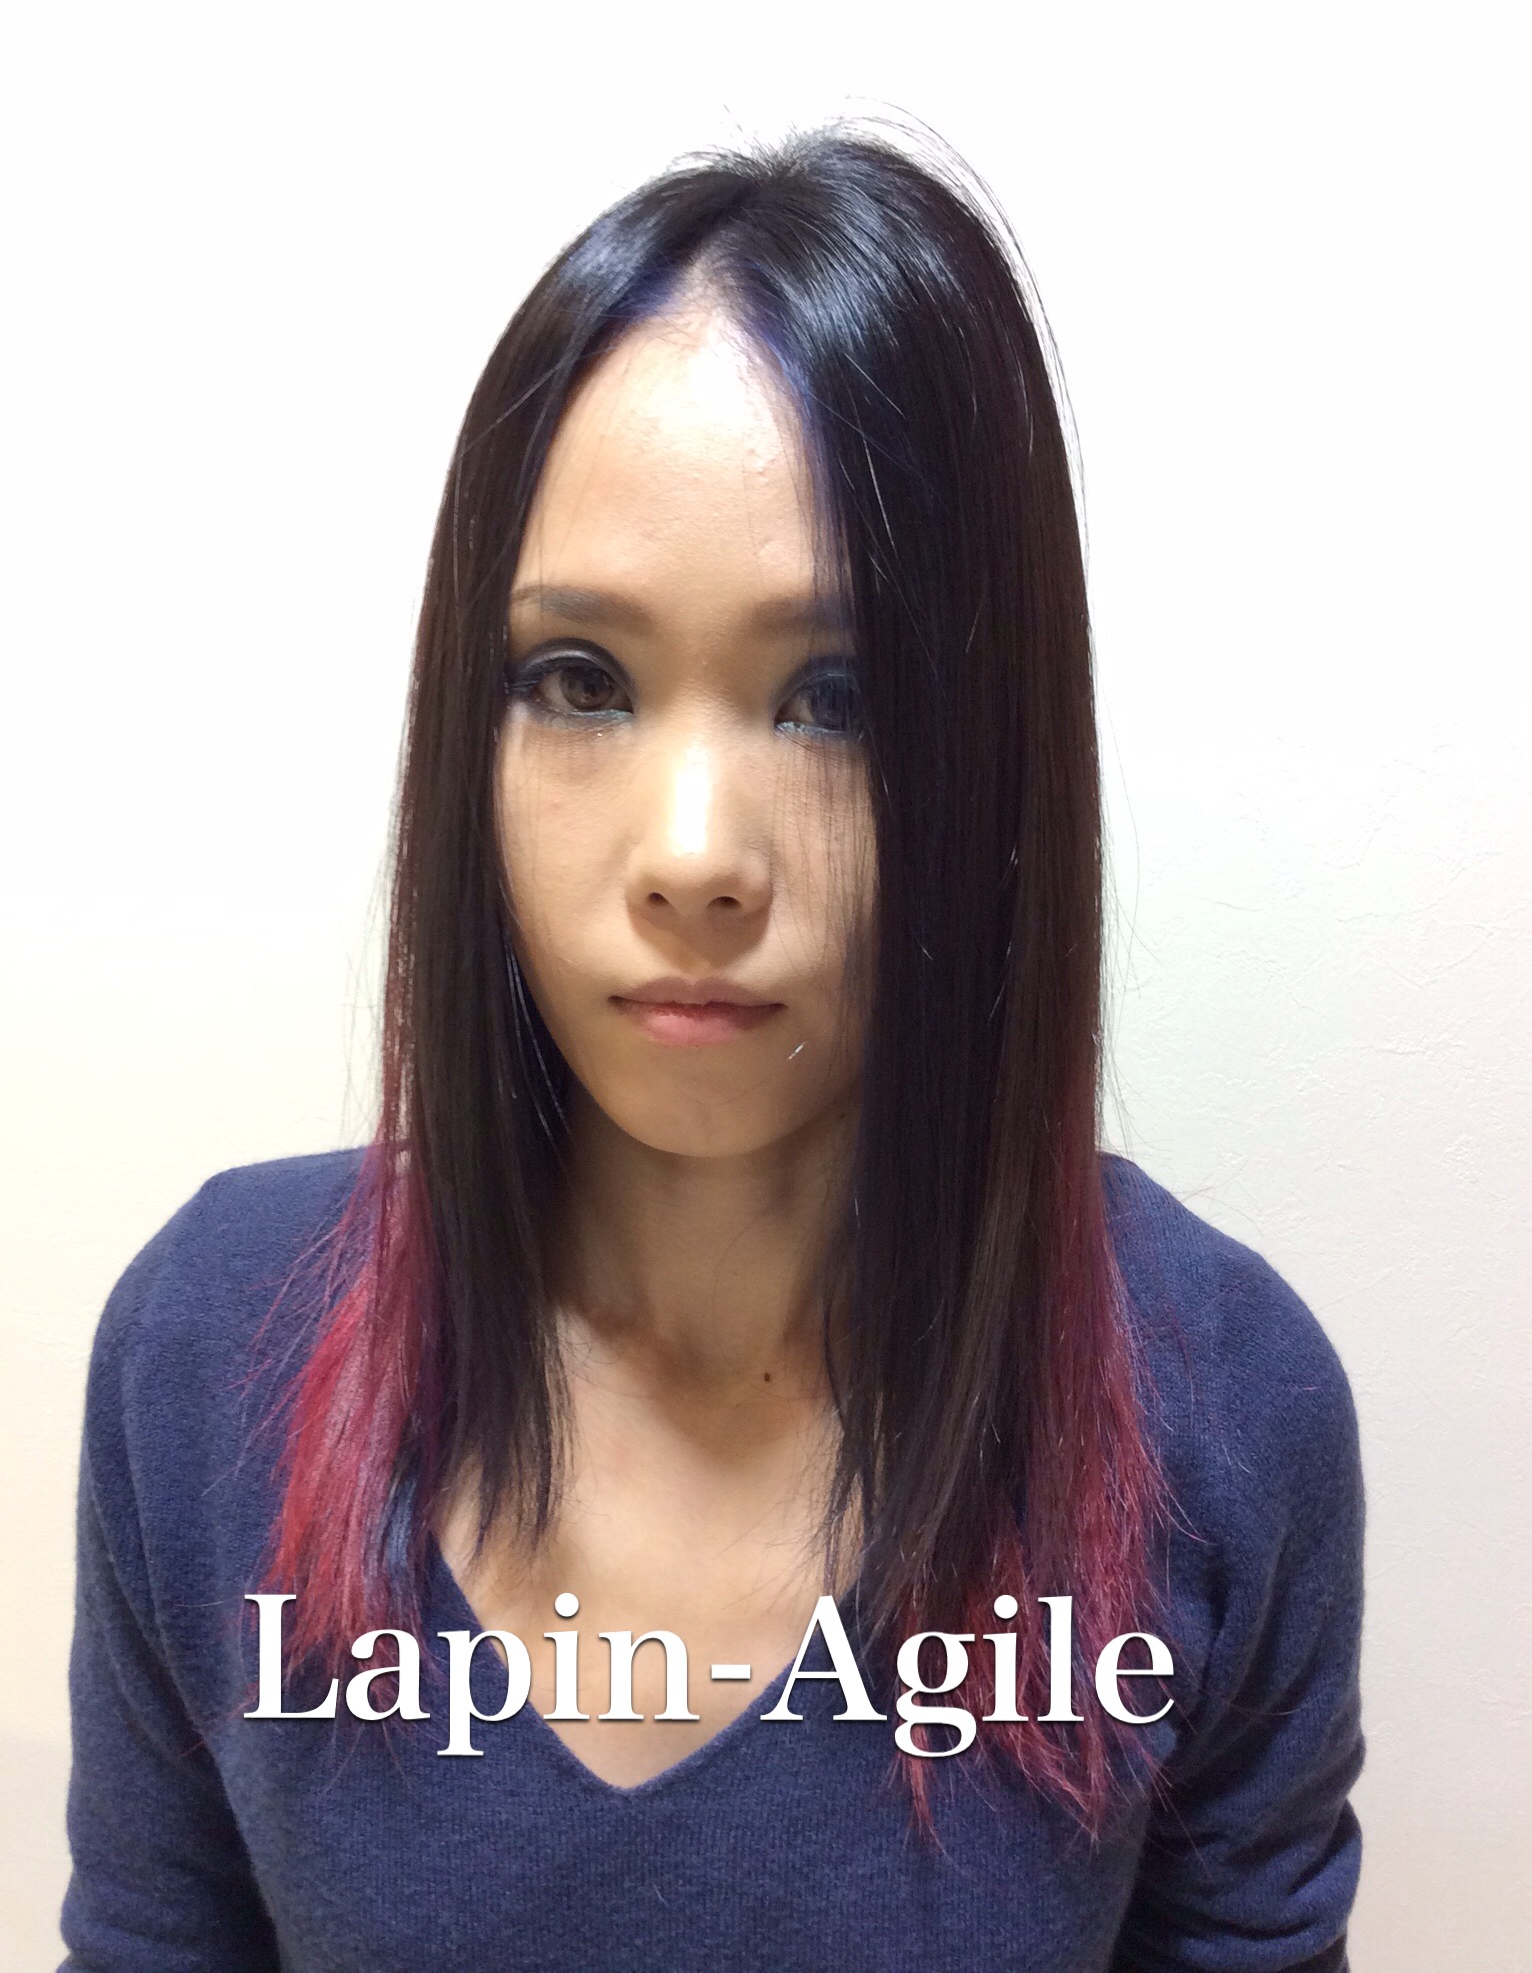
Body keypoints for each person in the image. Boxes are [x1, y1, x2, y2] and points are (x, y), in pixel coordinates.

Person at [60, 128, 1364, 1972]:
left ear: (992, 753)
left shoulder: (1219, 1413)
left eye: (837, 699)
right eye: (577, 681)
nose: (692, 857)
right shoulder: (211, 1355)